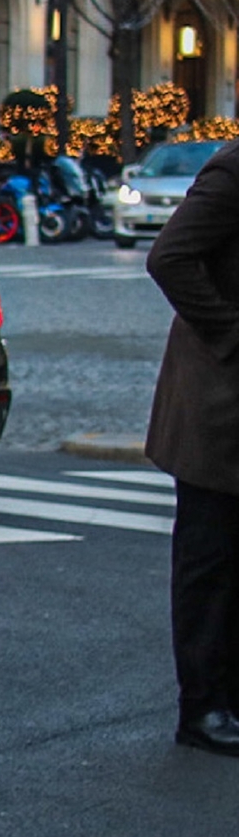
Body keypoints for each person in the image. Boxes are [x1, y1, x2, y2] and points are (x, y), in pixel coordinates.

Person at [145, 137, 239, 753]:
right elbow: (170, 257)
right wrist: (231, 331)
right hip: (220, 403)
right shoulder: (233, 169)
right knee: (211, 563)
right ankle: (202, 708)